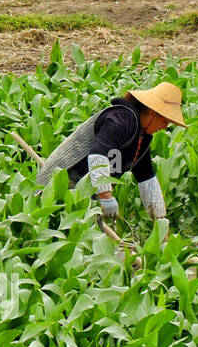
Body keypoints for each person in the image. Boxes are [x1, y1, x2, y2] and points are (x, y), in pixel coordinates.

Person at [36, 82, 187, 235]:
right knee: (64, 234)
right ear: (153, 113)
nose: (165, 127)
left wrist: (161, 226)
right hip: (63, 182)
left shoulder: (142, 137)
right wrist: (105, 196)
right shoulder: (122, 118)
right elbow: (98, 154)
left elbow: (147, 179)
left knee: (90, 241)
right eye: (166, 121)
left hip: (86, 192)